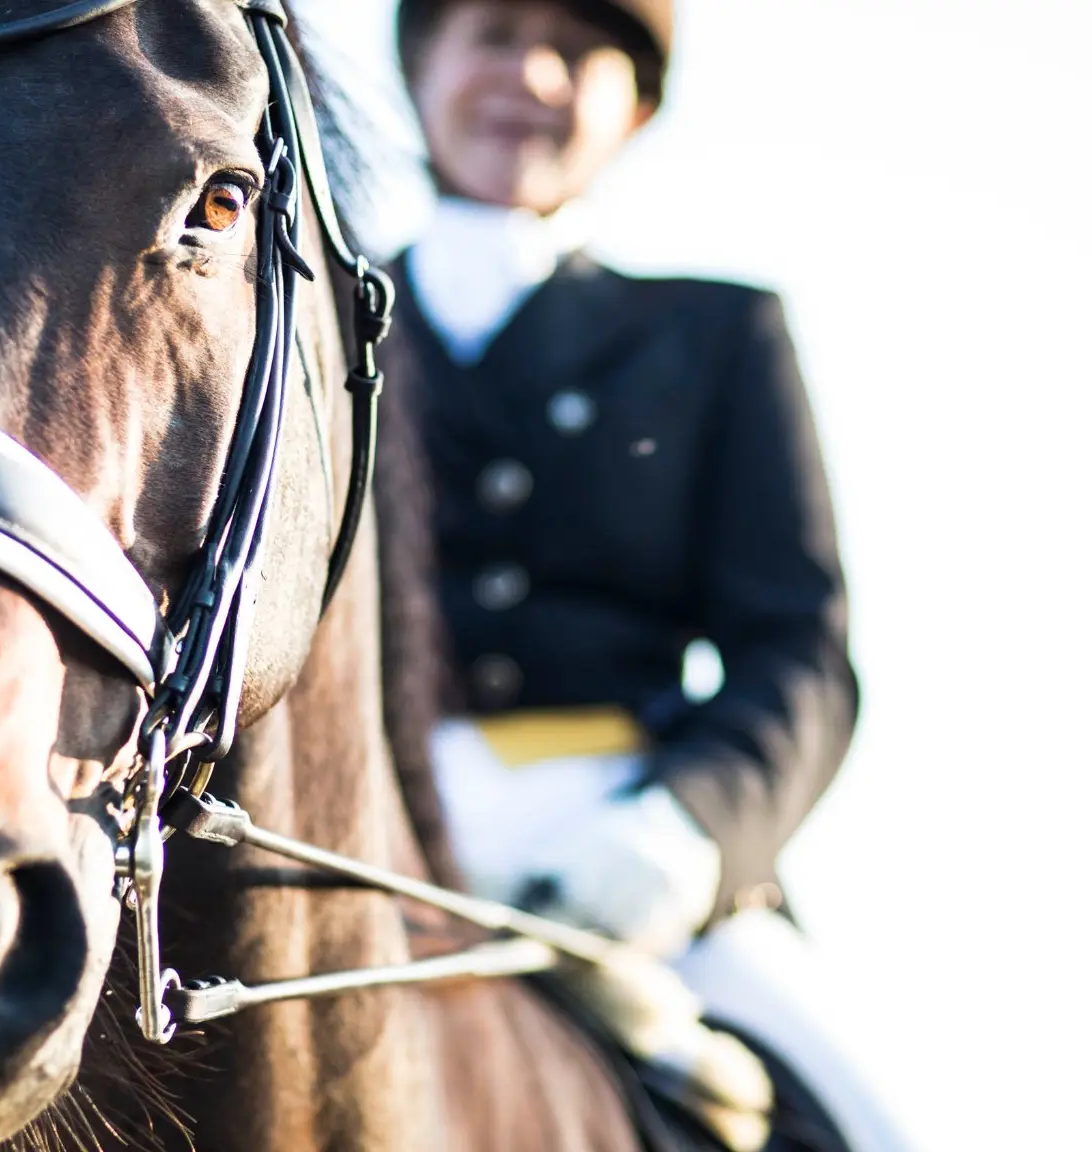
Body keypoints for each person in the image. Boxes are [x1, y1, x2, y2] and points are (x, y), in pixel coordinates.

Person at [380, 2, 910, 1149]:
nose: (531, 75)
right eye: (494, 34)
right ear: (419, 65)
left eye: (576, 55)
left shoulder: (715, 336)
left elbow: (797, 653)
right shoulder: (302, 325)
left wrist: (680, 836)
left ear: (637, 111)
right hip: (342, 820)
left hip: (615, 835)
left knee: (882, 1125)